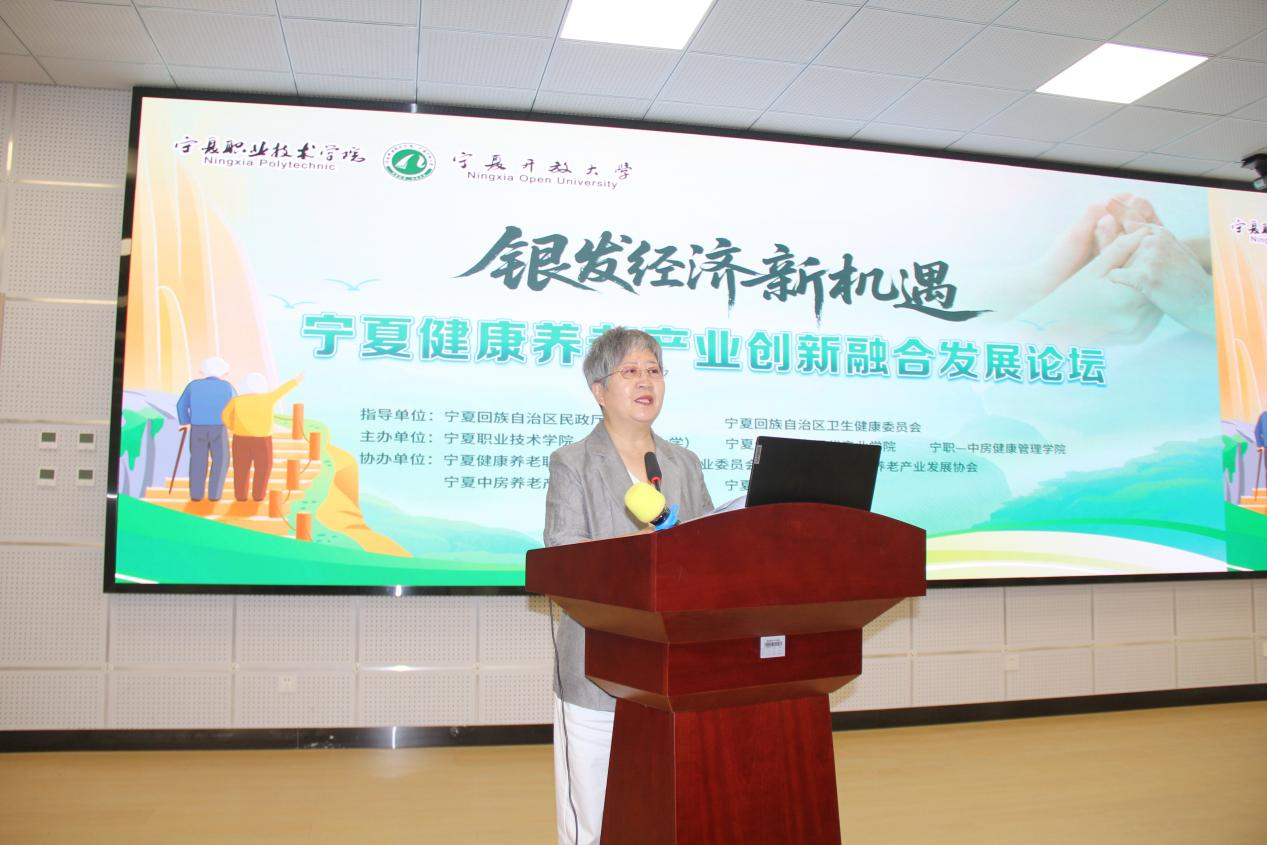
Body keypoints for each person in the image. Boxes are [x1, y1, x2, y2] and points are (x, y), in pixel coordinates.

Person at [543, 327, 713, 845]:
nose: (646, 381)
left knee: (662, 812)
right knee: (592, 820)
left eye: (654, 371)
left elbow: (712, 551)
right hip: (597, 667)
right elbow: (562, 557)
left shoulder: (683, 463)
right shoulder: (572, 462)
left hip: (672, 673)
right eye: (631, 371)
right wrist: (637, 551)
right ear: (599, 390)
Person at [221, 372, 303, 502]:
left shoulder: (236, 400)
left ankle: (241, 495)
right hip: (263, 441)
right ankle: (258, 495)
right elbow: (283, 390)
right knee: (263, 468)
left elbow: (225, 416)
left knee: (241, 469)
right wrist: (296, 380)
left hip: (240, 439)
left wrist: (233, 427)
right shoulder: (269, 398)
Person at [176, 356, 235, 502]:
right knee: (221, 461)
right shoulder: (228, 387)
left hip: (197, 428)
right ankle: (214, 495)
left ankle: (196, 495)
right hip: (219, 428)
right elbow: (235, 408)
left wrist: (185, 421)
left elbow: (181, 405)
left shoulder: (193, 385)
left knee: (197, 460)